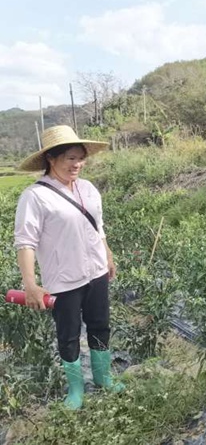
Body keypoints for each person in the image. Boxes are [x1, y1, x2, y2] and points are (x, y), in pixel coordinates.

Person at [14, 125, 124, 410]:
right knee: (69, 334)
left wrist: (108, 255)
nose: (77, 164)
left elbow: (97, 227)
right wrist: (30, 283)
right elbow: (25, 242)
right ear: (51, 159)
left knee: (100, 325)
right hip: (64, 280)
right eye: (70, 158)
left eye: (80, 157)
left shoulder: (88, 188)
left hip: (96, 272)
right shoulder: (35, 197)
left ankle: (103, 378)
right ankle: (75, 390)